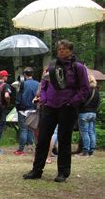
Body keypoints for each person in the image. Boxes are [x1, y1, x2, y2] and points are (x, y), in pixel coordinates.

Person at [23, 39, 89, 182]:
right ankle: (36, 170)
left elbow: (84, 89)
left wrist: (72, 102)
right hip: (50, 107)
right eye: (59, 49)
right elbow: (44, 84)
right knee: (42, 139)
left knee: (64, 140)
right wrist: (44, 99)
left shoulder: (78, 67)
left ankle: (63, 173)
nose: (62, 51)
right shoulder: (51, 66)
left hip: (68, 107)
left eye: (65, 49)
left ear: (71, 50)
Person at [14, 67, 39, 155]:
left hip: (23, 110)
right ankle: (30, 147)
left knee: (23, 129)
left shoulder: (22, 84)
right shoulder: (38, 84)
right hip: (34, 109)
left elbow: (18, 97)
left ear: (24, 75)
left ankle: (21, 149)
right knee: (31, 129)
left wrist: (17, 107)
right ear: (32, 74)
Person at [77, 74, 99, 157]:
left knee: (85, 133)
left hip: (84, 113)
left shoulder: (86, 90)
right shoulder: (96, 91)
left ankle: (85, 151)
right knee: (92, 132)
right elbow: (98, 103)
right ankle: (91, 151)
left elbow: (81, 101)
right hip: (93, 113)